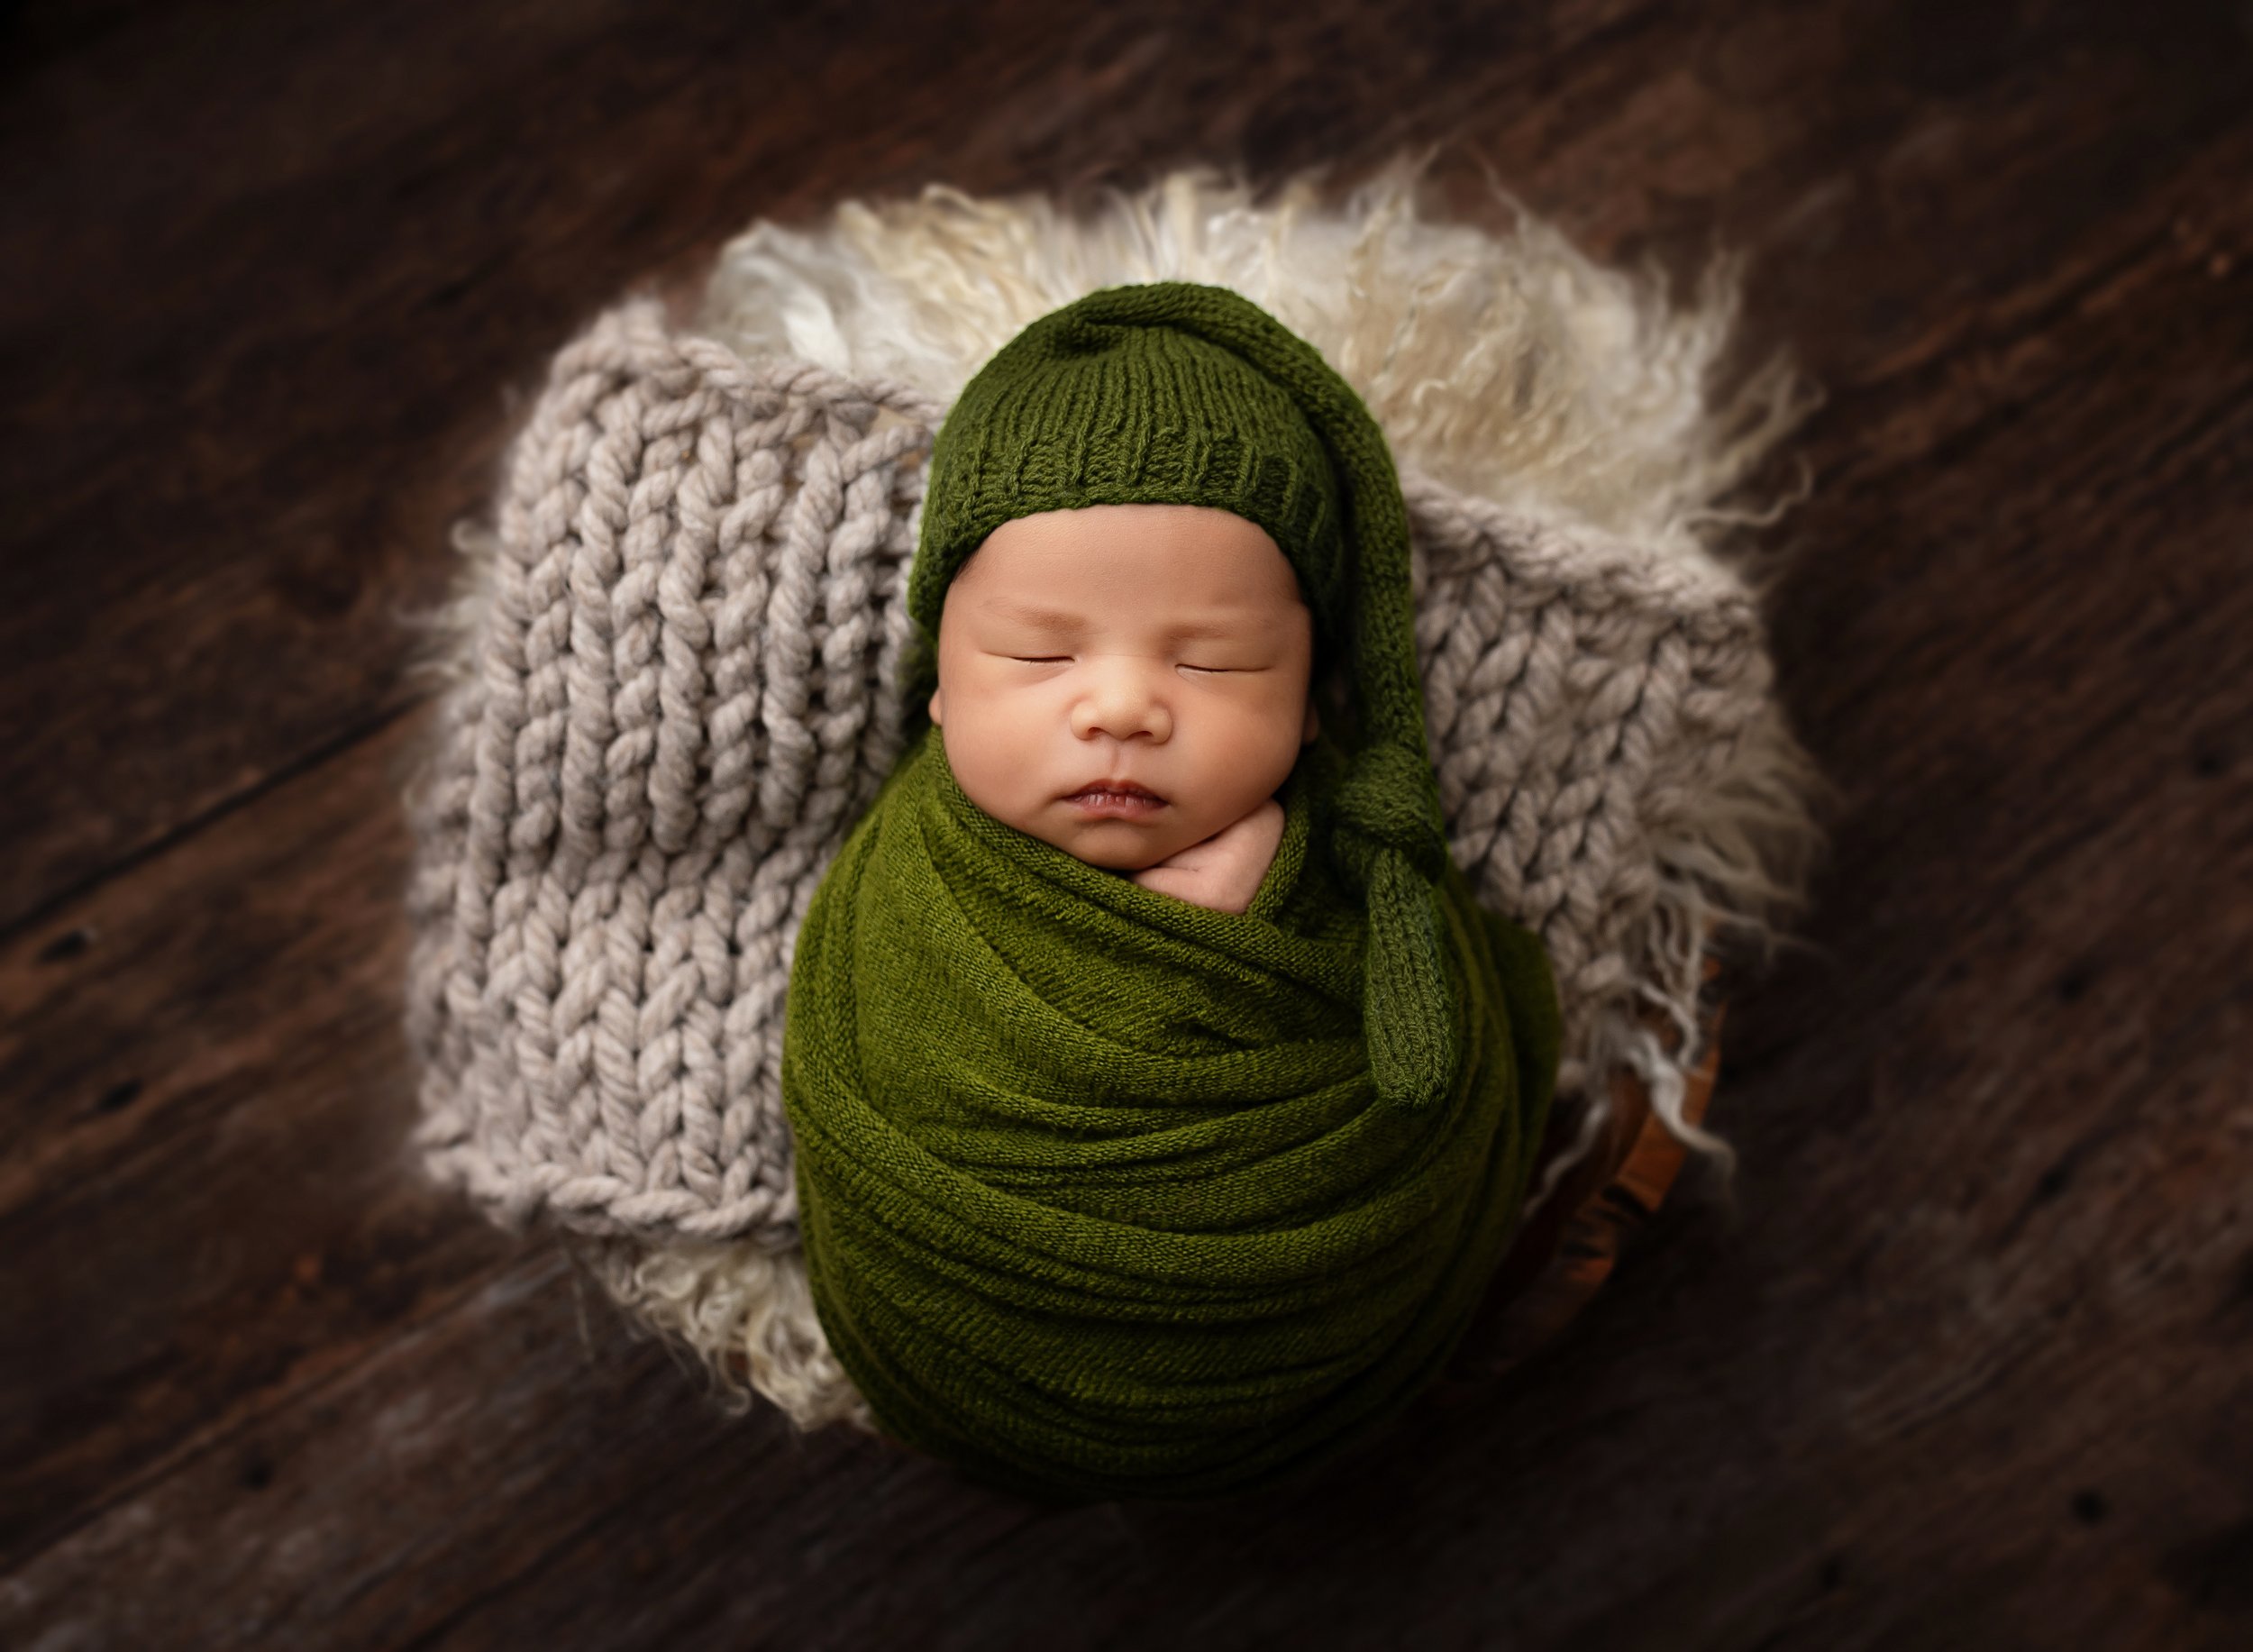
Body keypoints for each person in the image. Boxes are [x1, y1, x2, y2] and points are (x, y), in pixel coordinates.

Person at [779, 280, 1563, 1502]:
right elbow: (858, 1078)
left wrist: (1260, 931)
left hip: (1320, 1331)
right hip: (946, 1323)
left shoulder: (1369, 882)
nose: (1123, 707)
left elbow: (1442, 1097)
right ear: (936, 684)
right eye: (1039, 655)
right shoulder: (905, 879)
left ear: (1314, 704)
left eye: (1214, 660)